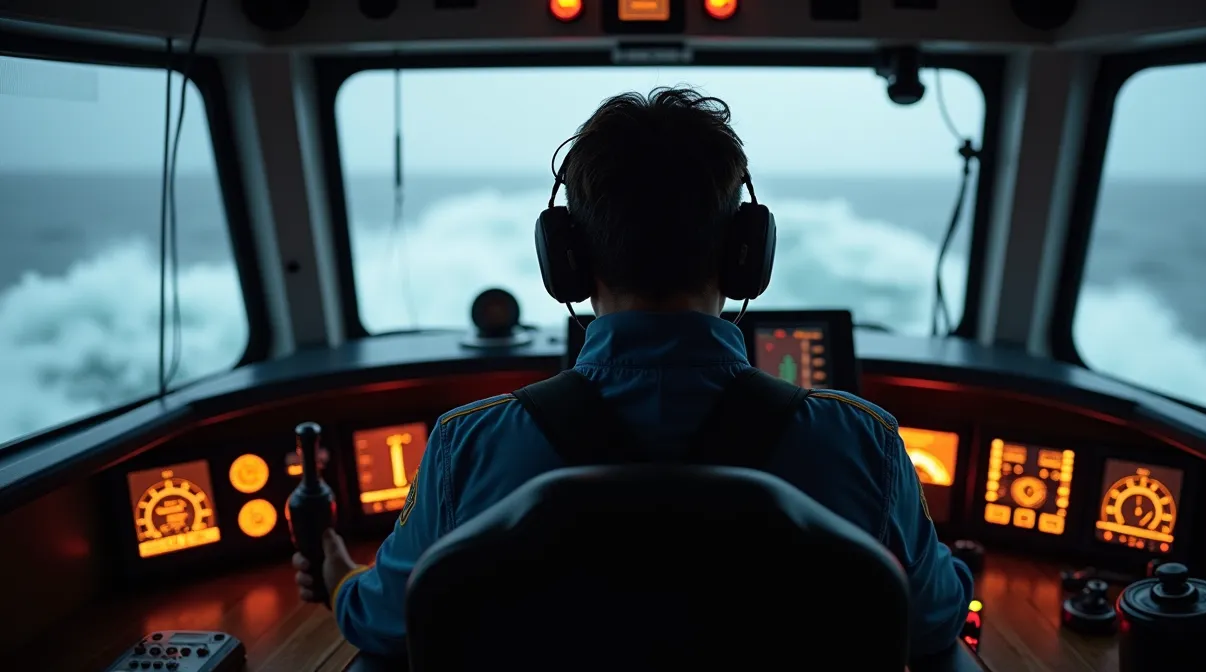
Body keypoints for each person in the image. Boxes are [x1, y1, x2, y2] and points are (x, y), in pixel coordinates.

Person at [294, 87, 972, 660]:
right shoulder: (864, 443)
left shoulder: (465, 447)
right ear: (746, 255)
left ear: (568, 260)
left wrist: (339, 574)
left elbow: (386, 621)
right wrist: (963, 568)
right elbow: (933, 621)